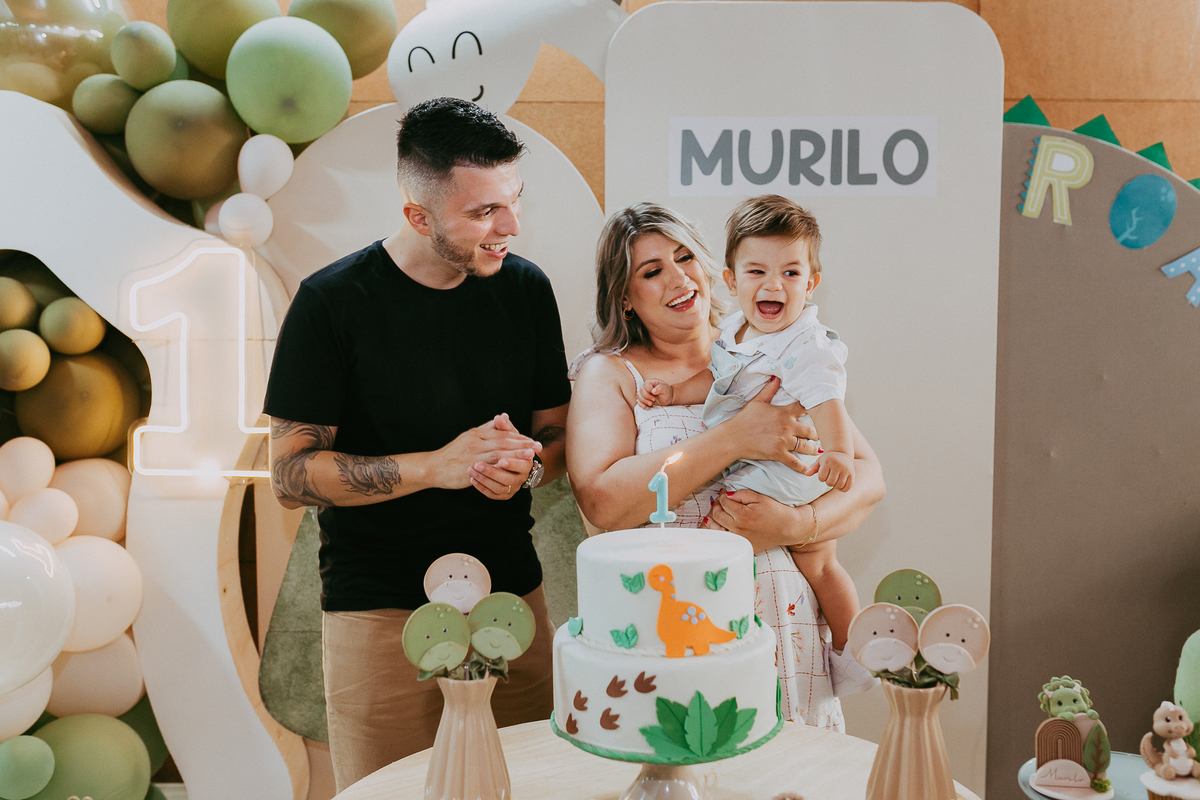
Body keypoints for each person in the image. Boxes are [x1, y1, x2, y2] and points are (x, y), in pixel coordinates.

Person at [263, 97, 571, 790]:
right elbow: (291, 476)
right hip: (377, 612)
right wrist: (435, 467)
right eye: (484, 212)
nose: (511, 226)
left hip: (512, 602)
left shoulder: (526, 290)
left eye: (513, 201)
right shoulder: (331, 303)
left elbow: (555, 435)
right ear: (418, 215)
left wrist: (526, 469)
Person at [567, 202, 885, 728]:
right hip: (679, 622)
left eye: (685, 257)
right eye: (652, 271)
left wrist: (795, 525)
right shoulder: (613, 374)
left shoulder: (766, 347)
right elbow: (603, 501)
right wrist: (736, 436)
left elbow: (867, 478)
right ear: (624, 296)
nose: (678, 278)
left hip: (784, 615)